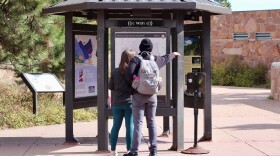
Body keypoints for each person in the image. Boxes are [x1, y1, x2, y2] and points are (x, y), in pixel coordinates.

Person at [124, 39, 180, 156]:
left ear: (140, 48)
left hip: (138, 95)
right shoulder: (155, 59)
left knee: (138, 123)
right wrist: (173, 54)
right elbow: (165, 58)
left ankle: (134, 151)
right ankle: (154, 150)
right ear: (151, 48)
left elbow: (129, 74)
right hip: (152, 96)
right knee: (152, 122)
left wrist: (136, 82)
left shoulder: (135, 59)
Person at [109, 49, 136, 156]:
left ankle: (113, 150)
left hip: (116, 103)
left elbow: (111, 86)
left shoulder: (115, 71)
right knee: (130, 126)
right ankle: (129, 150)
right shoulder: (133, 72)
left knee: (116, 126)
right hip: (129, 103)